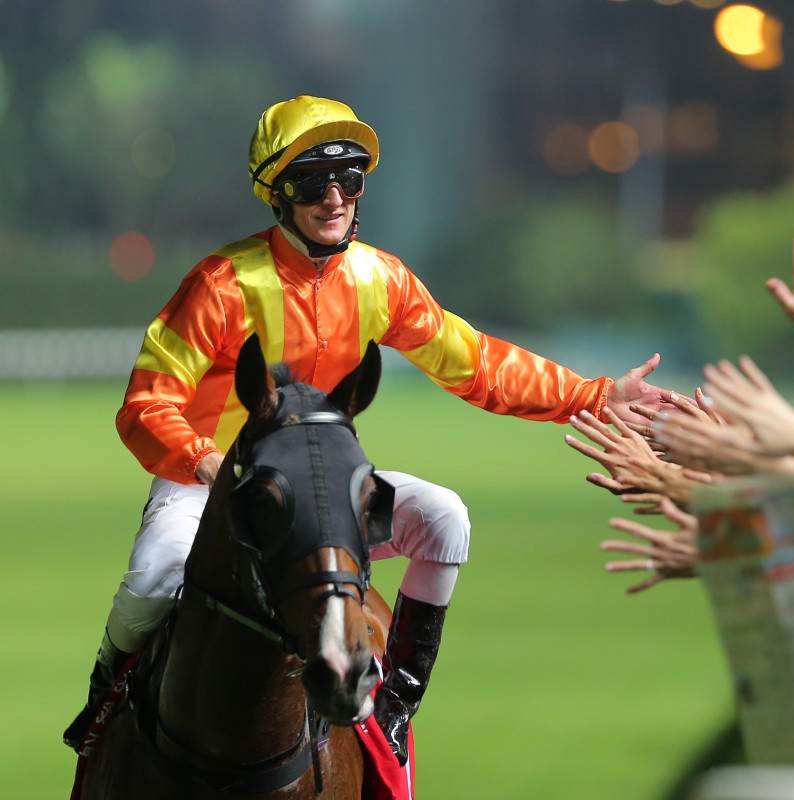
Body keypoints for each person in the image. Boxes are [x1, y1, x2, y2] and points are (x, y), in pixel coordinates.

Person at [63, 95, 678, 764]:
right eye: (312, 181)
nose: (334, 197)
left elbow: (477, 366)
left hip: (327, 487)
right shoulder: (221, 284)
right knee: (154, 575)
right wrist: (209, 464)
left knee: (445, 518)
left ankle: (395, 707)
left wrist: (596, 396)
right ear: (278, 194)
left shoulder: (382, 280)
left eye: (349, 178)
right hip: (210, 481)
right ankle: (105, 698)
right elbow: (146, 405)